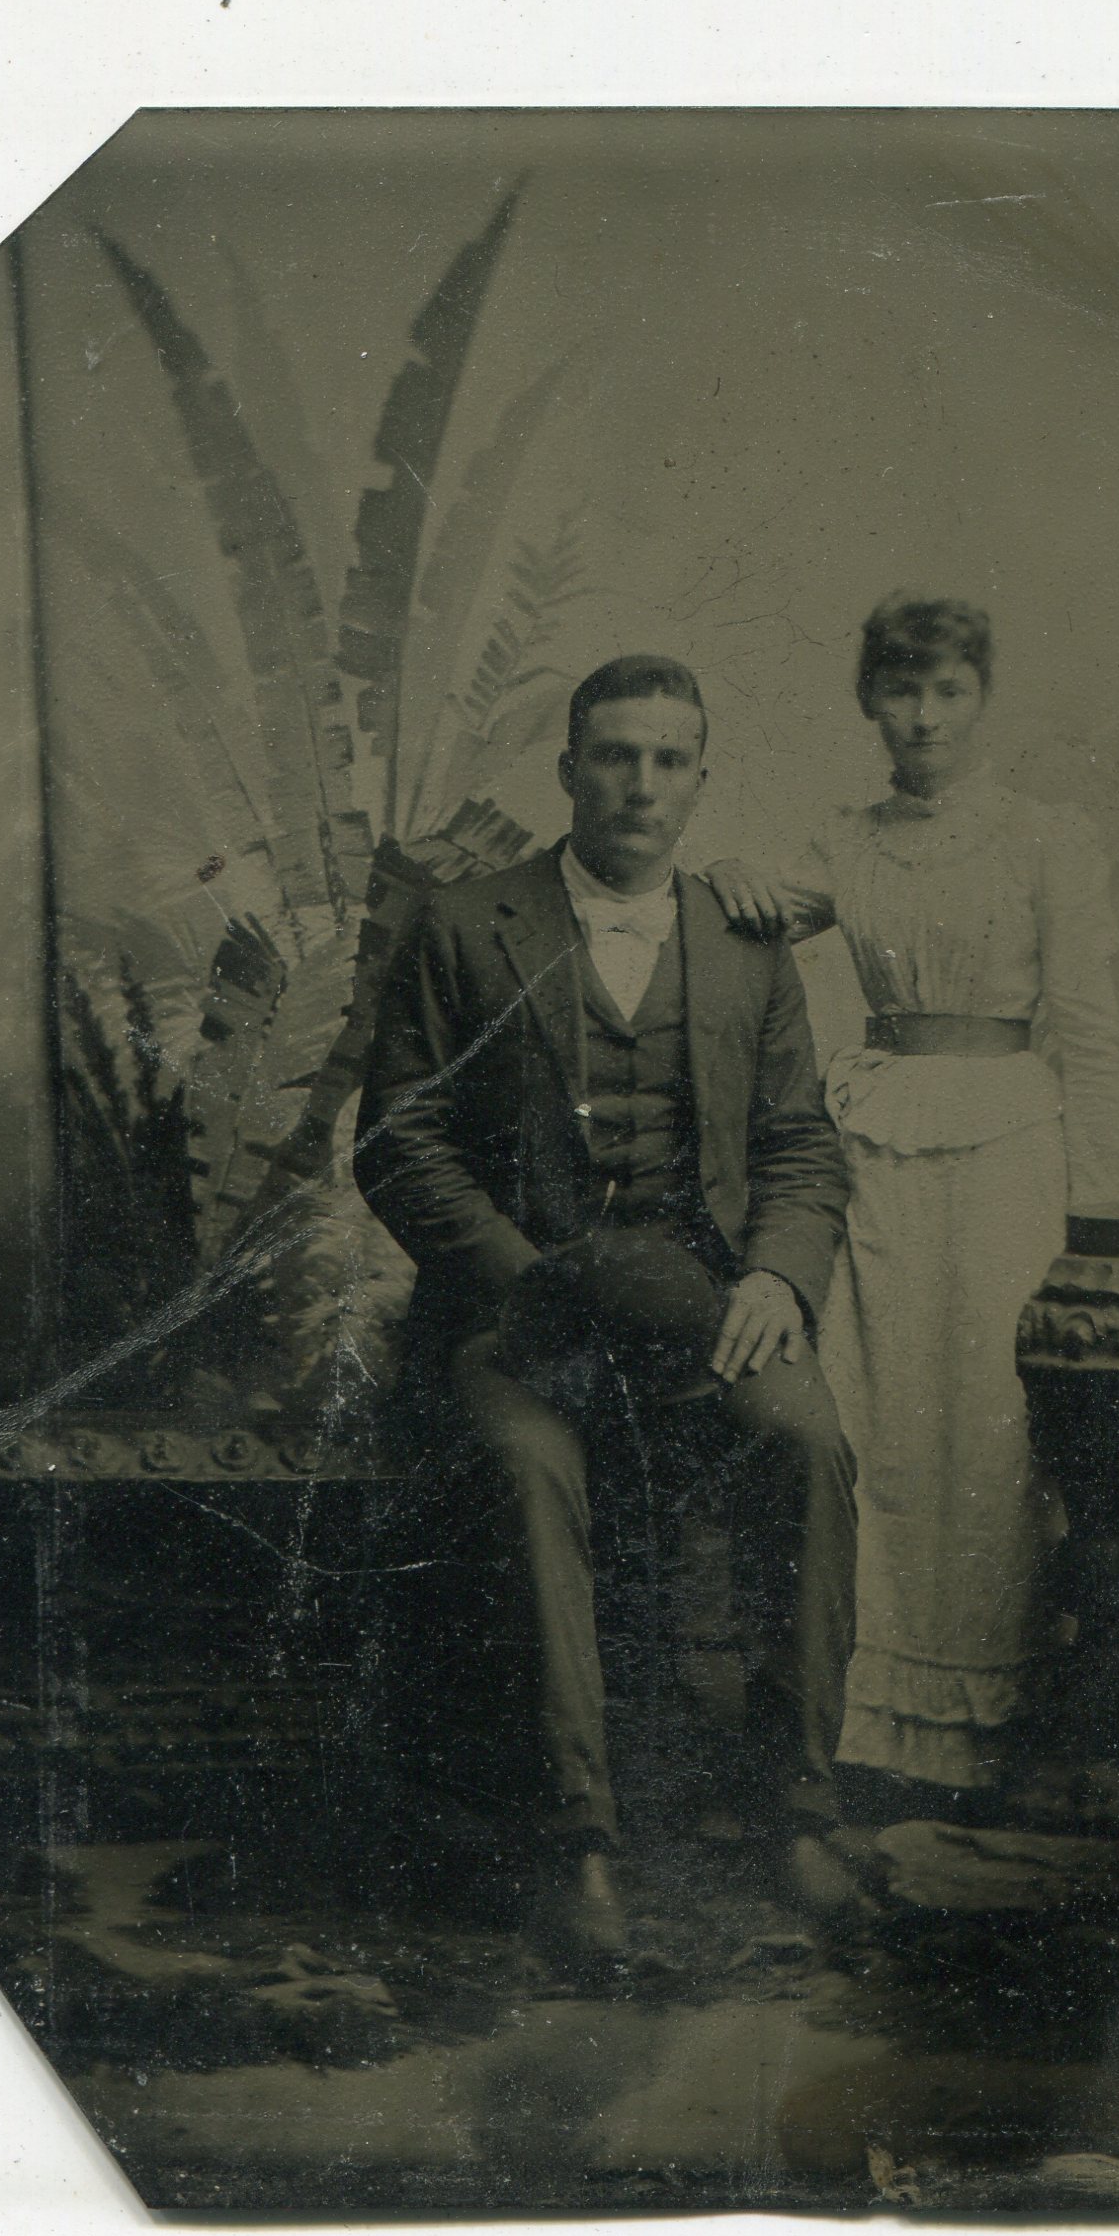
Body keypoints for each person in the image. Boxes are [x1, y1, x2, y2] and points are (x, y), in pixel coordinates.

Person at [358, 655, 858, 1962]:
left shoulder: (743, 944)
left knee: (809, 1443)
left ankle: (797, 1809)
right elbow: (398, 1140)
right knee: (531, 1473)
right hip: (518, 1316)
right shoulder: (464, 924)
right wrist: (525, 1277)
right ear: (568, 769)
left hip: (703, 1312)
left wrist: (774, 1276)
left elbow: (800, 1142)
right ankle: (577, 1840)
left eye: (668, 759)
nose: (641, 783)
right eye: (616, 755)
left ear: (698, 779)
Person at [706, 595, 1119, 1799]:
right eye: (901, 691)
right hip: (880, 1146)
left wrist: (1097, 1221)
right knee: (876, 1416)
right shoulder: (848, 841)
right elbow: (752, 907)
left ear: (980, 697)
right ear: (868, 702)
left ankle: (993, 1727)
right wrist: (727, 870)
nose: (925, 716)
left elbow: (1091, 1035)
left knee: (990, 1424)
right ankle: (867, 1731)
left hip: (1009, 1157)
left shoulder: (1042, 837)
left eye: (948, 690)